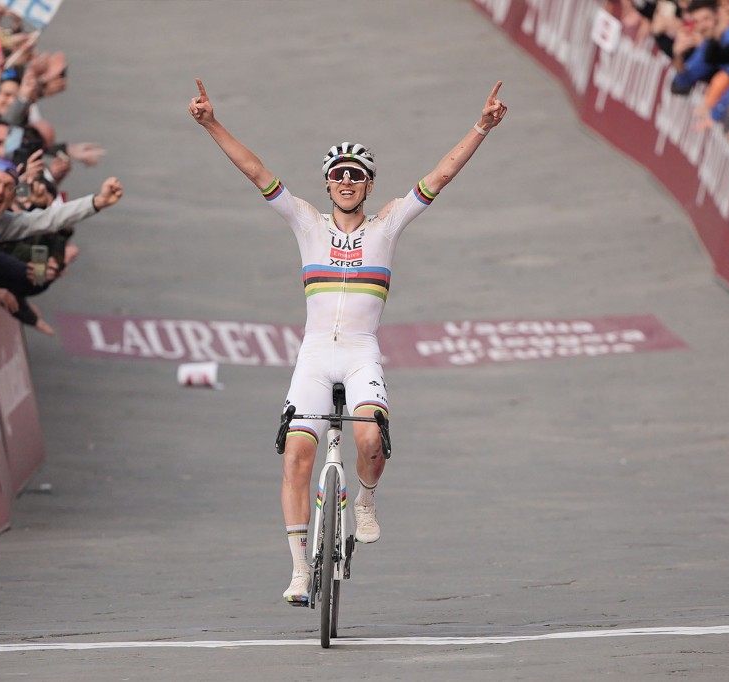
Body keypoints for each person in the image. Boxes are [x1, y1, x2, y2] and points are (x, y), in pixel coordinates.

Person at [189, 78, 507, 605]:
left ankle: (365, 499)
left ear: (368, 185)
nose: (346, 182)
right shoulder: (306, 222)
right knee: (295, 455)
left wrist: (482, 127)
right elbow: (254, 171)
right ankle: (297, 569)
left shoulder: (387, 225)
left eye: (355, 176)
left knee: (368, 440)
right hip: (315, 355)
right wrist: (210, 123)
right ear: (328, 184)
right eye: (338, 175)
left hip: (360, 353)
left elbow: (441, 176)